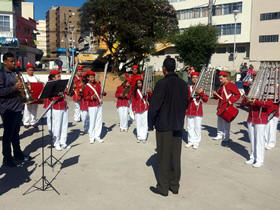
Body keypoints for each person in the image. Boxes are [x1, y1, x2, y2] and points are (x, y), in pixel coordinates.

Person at [148, 57, 188, 196]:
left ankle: (163, 187)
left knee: (163, 157)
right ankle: (174, 185)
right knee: (175, 157)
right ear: (175, 68)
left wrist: (150, 123)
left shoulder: (162, 84)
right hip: (178, 125)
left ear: (164, 69)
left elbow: (154, 106)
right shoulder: (183, 84)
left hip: (164, 125)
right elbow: (186, 104)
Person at [0, 52, 31, 167]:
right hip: (7, 109)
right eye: (11, 61)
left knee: (16, 134)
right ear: (5, 62)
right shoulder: (1, 74)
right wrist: (14, 88)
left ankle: (18, 154)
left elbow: (19, 87)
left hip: (18, 107)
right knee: (8, 135)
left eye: (14, 61)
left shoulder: (15, 72)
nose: (14, 63)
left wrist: (24, 87)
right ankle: (7, 158)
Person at [242, 96, 273, 168]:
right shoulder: (253, 89)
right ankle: (253, 157)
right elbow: (244, 103)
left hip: (261, 119)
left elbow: (269, 104)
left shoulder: (267, 89)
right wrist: (246, 100)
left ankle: (259, 160)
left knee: (259, 140)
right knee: (252, 139)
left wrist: (255, 102)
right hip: (251, 118)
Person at [212, 71, 241, 144]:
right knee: (219, 121)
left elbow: (238, 94)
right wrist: (215, 94)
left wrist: (231, 101)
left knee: (226, 122)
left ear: (226, 78)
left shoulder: (231, 85)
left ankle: (226, 136)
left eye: (221, 79)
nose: (220, 80)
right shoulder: (221, 86)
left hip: (228, 106)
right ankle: (219, 134)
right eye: (219, 79)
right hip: (220, 106)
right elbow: (218, 96)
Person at [185, 72, 208, 149]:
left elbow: (206, 99)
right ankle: (190, 141)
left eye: (196, 77)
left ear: (199, 79)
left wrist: (201, 93)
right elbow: (185, 99)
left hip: (198, 111)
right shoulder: (188, 88)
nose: (195, 79)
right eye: (193, 77)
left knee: (197, 127)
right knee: (189, 127)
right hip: (190, 110)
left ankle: (196, 142)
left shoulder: (202, 88)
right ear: (191, 79)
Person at [49, 70, 70, 151]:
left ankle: (63, 142)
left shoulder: (62, 85)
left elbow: (67, 94)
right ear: (53, 77)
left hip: (64, 106)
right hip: (56, 108)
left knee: (64, 125)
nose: (60, 77)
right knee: (57, 126)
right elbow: (52, 98)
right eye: (58, 76)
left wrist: (68, 91)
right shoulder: (51, 85)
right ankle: (56, 142)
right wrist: (60, 95)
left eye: (60, 76)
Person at [83, 70, 106, 144]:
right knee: (92, 121)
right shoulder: (87, 86)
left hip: (98, 104)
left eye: (93, 77)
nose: (92, 79)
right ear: (88, 78)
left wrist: (103, 93)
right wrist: (91, 97)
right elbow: (85, 97)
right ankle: (91, 137)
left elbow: (100, 93)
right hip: (92, 106)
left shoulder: (97, 84)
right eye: (91, 77)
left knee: (99, 121)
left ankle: (97, 136)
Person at [132, 76, 152, 142]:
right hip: (137, 109)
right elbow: (133, 101)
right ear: (136, 84)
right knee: (138, 123)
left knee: (144, 123)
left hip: (145, 108)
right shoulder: (135, 91)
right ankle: (139, 136)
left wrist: (149, 92)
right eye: (138, 83)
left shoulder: (146, 90)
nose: (139, 84)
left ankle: (144, 137)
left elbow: (150, 97)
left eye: (140, 83)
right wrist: (133, 109)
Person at [22, 62, 42, 128]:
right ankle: (26, 122)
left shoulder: (36, 77)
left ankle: (33, 121)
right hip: (29, 95)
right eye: (29, 70)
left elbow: (40, 83)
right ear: (27, 70)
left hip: (35, 95)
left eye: (32, 70)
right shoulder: (25, 77)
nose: (31, 71)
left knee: (34, 109)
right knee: (27, 109)